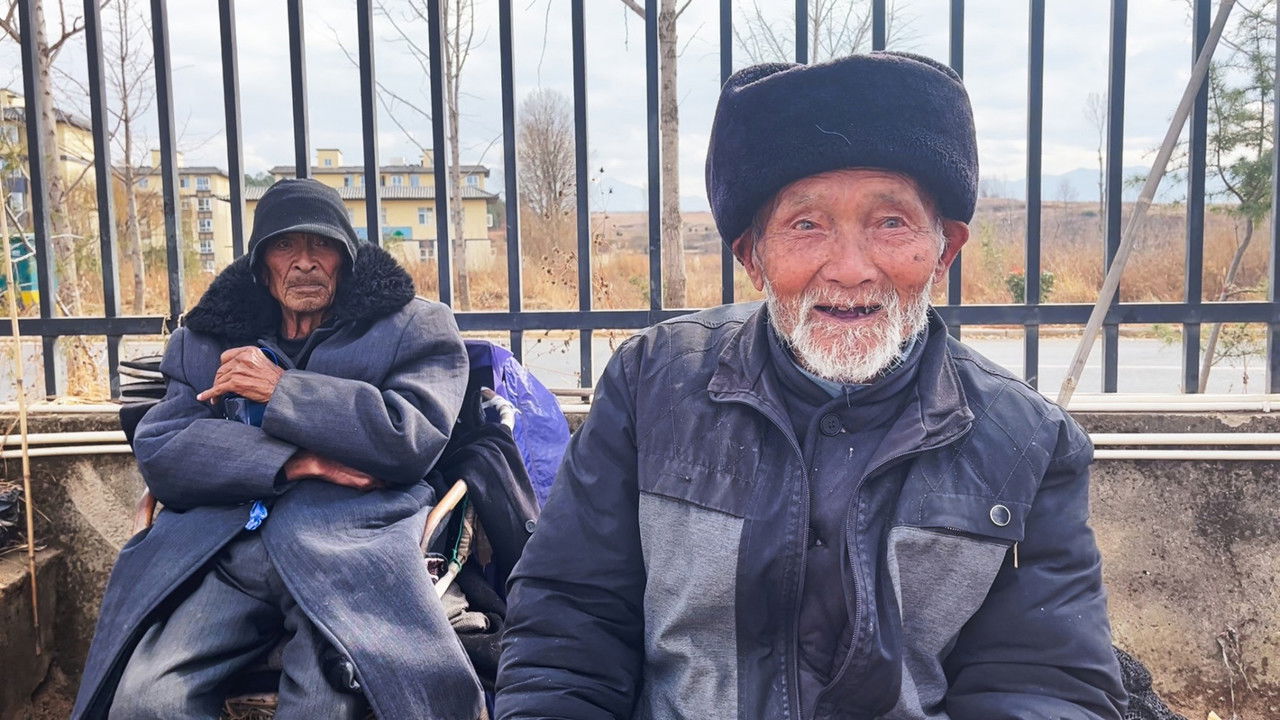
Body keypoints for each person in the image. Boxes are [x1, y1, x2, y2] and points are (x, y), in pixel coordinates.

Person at [496, 52, 1127, 720]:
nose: (851, 269)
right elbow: (570, 627)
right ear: (753, 255)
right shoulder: (653, 383)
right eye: (806, 225)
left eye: (891, 223)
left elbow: (1043, 685)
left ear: (944, 250)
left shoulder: (1028, 442)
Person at [73, 178, 485, 719]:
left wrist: (282, 390)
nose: (305, 263)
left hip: (350, 550)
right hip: (222, 550)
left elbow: (410, 437)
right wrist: (294, 461)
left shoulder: (412, 324)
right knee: (145, 699)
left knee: (326, 701)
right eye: (285, 246)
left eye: (321, 246)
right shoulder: (207, 336)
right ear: (262, 265)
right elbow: (166, 447)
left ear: (347, 257)